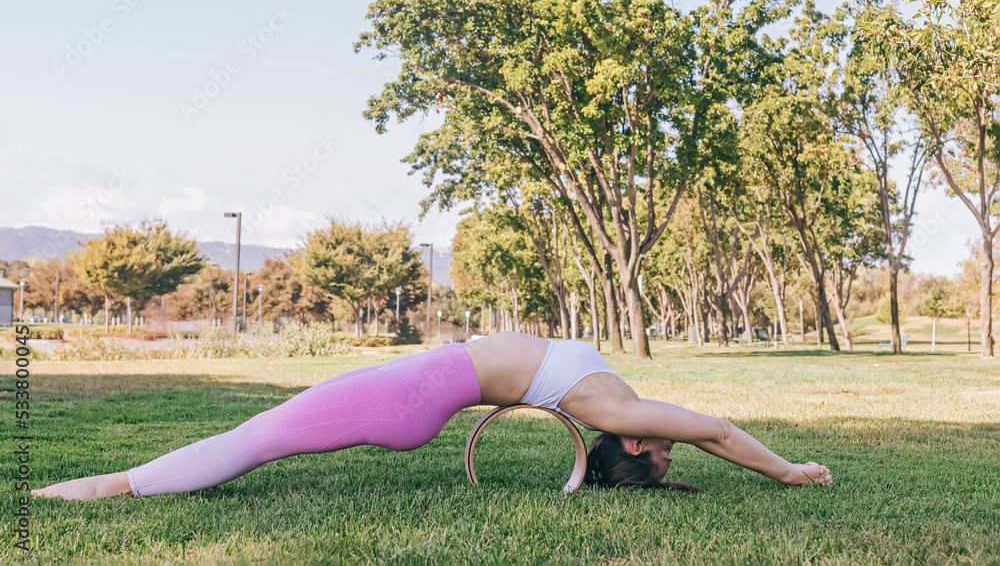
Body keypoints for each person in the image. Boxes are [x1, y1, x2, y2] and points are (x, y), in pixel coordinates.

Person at [31, 332, 832, 501]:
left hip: (414, 394)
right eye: (665, 449)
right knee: (257, 438)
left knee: (255, 439)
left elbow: (719, 432)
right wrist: (788, 467)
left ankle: (109, 487)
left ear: (626, 442)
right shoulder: (619, 403)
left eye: (660, 454)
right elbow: (716, 429)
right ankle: (117, 485)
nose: (671, 440)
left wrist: (789, 470)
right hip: (420, 386)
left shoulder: (615, 404)